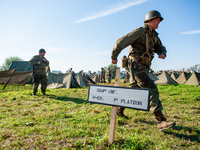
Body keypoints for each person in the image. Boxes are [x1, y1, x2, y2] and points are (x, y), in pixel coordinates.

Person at [111, 10, 175, 131]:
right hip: (136, 66)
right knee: (151, 88)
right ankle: (161, 121)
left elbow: (160, 47)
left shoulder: (154, 35)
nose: (158, 23)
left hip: (143, 67)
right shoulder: (139, 32)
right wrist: (114, 56)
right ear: (150, 20)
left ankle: (119, 109)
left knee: (133, 91)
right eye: (157, 20)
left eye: (159, 21)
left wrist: (162, 53)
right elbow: (121, 42)